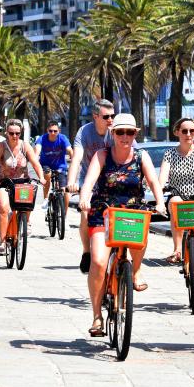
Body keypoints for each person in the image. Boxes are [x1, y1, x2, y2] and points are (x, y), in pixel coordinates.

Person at [79, 113, 166, 336]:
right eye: (120, 132)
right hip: (104, 213)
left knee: (142, 234)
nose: (125, 136)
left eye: (129, 132)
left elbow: (154, 182)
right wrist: (85, 198)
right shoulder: (102, 155)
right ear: (113, 133)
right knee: (98, 262)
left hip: (132, 213)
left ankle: (135, 271)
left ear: (135, 134)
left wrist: (160, 203)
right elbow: (89, 181)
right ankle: (97, 316)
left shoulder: (141, 156)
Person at [158, 117, 194, 298]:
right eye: (184, 131)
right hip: (179, 196)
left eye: (192, 131)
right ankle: (177, 249)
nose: (189, 135)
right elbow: (162, 177)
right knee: (175, 203)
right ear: (177, 132)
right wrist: (158, 192)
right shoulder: (170, 154)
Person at [67, 99, 119, 273]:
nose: (110, 119)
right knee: (85, 214)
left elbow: (132, 152)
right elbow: (77, 158)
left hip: (112, 181)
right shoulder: (85, 132)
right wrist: (72, 182)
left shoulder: (117, 131)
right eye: (106, 116)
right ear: (95, 116)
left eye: (113, 115)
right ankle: (87, 251)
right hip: (88, 181)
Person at [0, 119, 46, 255]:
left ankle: (26, 221)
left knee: (27, 203)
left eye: (17, 133)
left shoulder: (25, 146)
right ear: (6, 133)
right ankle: (2, 241)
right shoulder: (1, 146)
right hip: (4, 182)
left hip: (21, 182)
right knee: (3, 207)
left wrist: (42, 177)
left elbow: (36, 164)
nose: (14, 136)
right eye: (11, 133)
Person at [34, 120, 73, 214]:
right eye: (50, 131)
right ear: (47, 130)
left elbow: (69, 150)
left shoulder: (63, 138)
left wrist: (73, 159)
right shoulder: (42, 139)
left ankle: (64, 218)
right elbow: (37, 151)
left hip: (60, 167)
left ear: (58, 131)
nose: (53, 133)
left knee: (66, 192)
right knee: (47, 173)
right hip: (45, 165)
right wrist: (35, 159)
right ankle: (46, 199)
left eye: (55, 131)